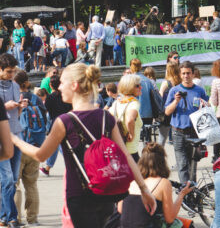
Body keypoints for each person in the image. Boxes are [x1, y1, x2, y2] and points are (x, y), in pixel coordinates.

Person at [11, 63, 156, 228]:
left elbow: (40, 155)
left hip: (80, 195)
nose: (59, 86)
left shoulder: (64, 121)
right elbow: (126, 155)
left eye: (63, 82)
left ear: (74, 85)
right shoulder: (106, 117)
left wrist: (14, 139)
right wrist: (144, 189)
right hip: (106, 193)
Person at [119, 142, 192, 228]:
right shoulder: (163, 183)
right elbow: (170, 218)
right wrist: (181, 195)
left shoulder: (132, 180)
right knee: (185, 224)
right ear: (162, 162)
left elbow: (120, 209)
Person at [164, 61, 209, 184]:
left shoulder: (199, 90)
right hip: (178, 132)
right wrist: (176, 101)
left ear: (193, 74)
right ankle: (186, 194)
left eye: (188, 73)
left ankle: (193, 192)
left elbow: (207, 108)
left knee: (192, 164)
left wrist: (204, 104)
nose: (186, 76)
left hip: (194, 132)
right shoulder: (174, 90)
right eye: (183, 73)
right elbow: (167, 112)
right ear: (180, 74)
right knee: (182, 164)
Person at [13, 71, 47, 227]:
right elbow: (45, 118)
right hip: (34, 146)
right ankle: (33, 218)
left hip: (18, 146)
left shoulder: (13, 97)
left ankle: (16, 217)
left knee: (15, 184)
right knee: (31, 184)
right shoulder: (35, 98)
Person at [0, 53, 24, 228]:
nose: (11, 75)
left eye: (13, 71)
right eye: (9, 72)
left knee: (13, 179)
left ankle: (2, 216)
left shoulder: (15, 85)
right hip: (2, 137)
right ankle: (12, 218)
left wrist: (20, 106)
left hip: (16, 133)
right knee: (7, 179)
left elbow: (17, 114)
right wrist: (4, 107)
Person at [40, 75, 72, 176]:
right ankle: (48, 167)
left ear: (50, 85)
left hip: (55, 123)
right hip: (66, 121)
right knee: (56, 145)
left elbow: (46, 111)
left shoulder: (50, 98)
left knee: (61, 146)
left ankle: (72, 164)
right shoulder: (65, 95)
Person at [109, 74, 143, 162]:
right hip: (131, 151)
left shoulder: (117, 102)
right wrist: (131, 133)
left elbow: (108, 116)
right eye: (137, 86)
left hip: (118, 149)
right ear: (130, 87)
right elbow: (130, 120)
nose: (141, 87)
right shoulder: (134, 103)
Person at [158, 63, 181, 146]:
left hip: (167, 112)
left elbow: (160, 96)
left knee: (162, 139)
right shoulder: (180, 81)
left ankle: (158, 157)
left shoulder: (166, 83)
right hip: (178, 111)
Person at [129, 59, 154, 127]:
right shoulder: (147, 80)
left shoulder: (130, 80)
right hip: (148, 113)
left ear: (131, 67)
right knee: (147, 136)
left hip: (135, 113)